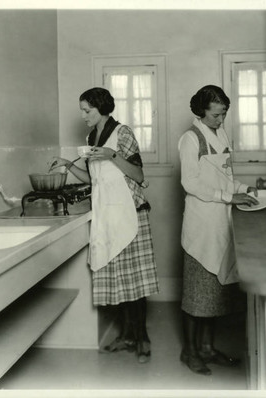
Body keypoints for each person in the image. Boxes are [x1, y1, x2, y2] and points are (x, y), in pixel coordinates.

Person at [50, 87, 159, 364]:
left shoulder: (122, 133)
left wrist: (112, 155)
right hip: (108, 214)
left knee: (135, 281)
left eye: (87, 110)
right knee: (120, 280)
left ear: (102, 107)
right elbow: (92, 179)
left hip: (130, 213)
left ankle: (142, 338)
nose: (83, 115)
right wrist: (66, 165)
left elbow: (138, 174)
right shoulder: (90, 137)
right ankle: (126, 336)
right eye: (82, 110)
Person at [178, 85, 258, 375]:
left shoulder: (221, 135)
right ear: (201, 111)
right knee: (196, 294)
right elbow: (192, 183)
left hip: (222, 223)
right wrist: (229, 196)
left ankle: (208, 349)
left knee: (214, 294)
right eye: (215, 115)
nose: (220, 120)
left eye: (223, 114)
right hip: (201, 227)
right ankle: (189, 351)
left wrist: (242, 188)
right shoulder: (190, 139)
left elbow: (224, 178)